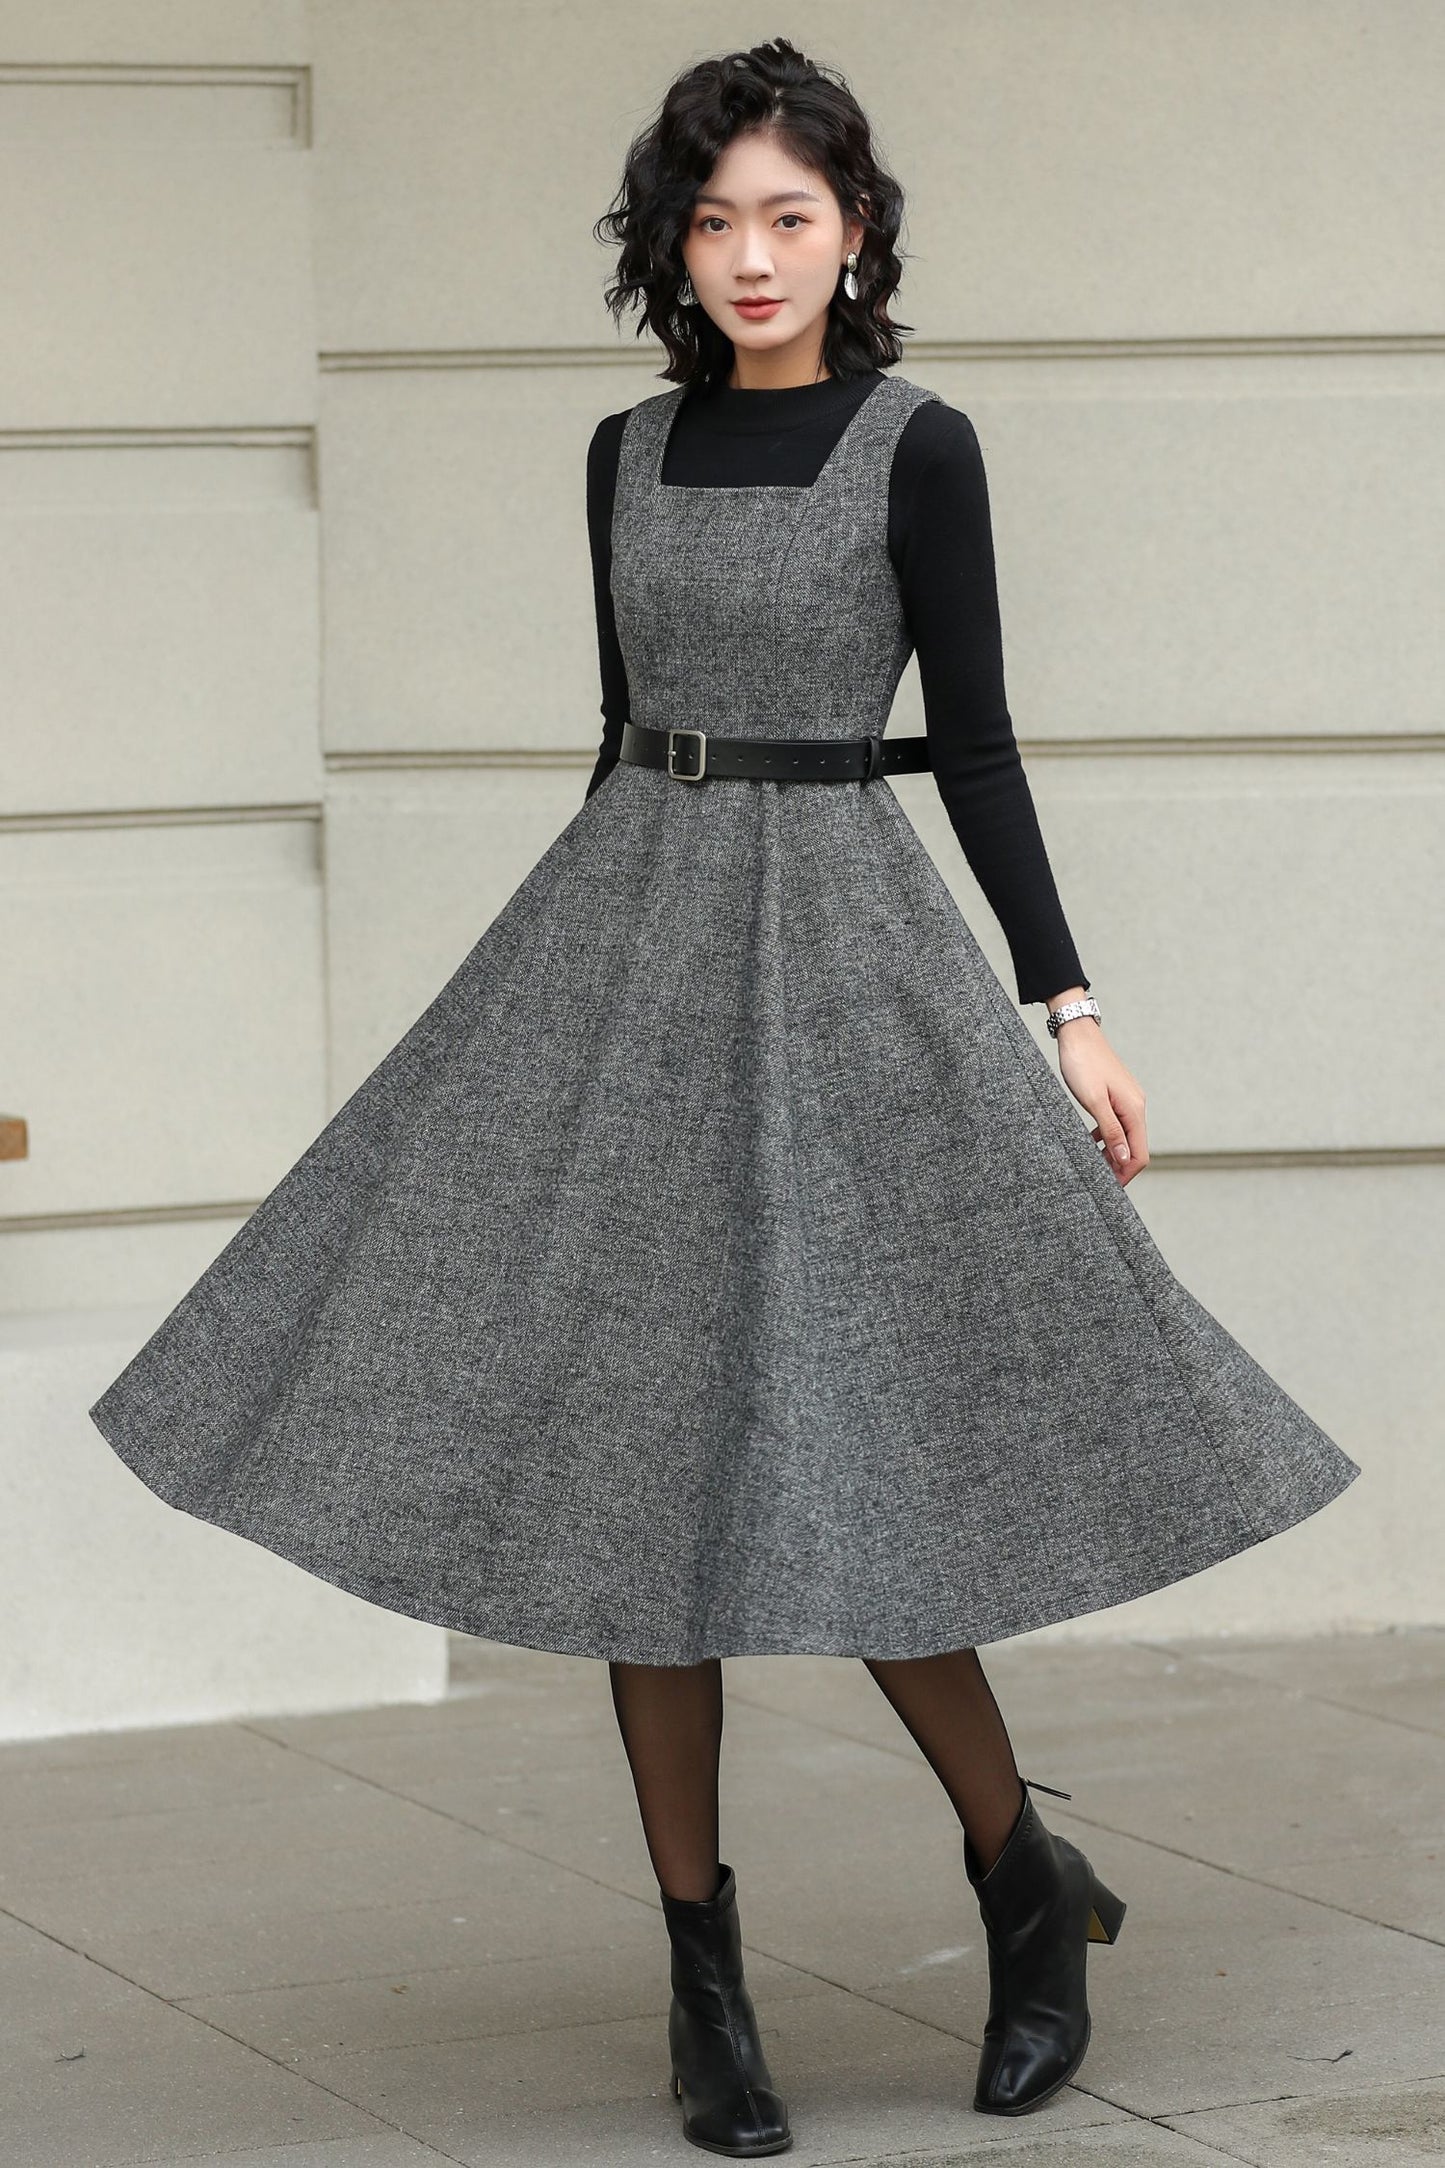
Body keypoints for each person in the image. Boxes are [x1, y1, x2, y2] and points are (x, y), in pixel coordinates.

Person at [87, 35, 1362, 2155]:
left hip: (844, 963)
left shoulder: (918, 446)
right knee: (635, 1486)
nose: (750, 254)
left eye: (788, 214)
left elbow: (977, 743)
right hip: (633, 952)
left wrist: (1067, 1002)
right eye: (712, 220)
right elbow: (619, 733)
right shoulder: (623, 452)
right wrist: (537, 1021)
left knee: (859, 1470)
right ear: (668, 248)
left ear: (855, 233)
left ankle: (1020, 1870)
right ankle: (706, 1982)